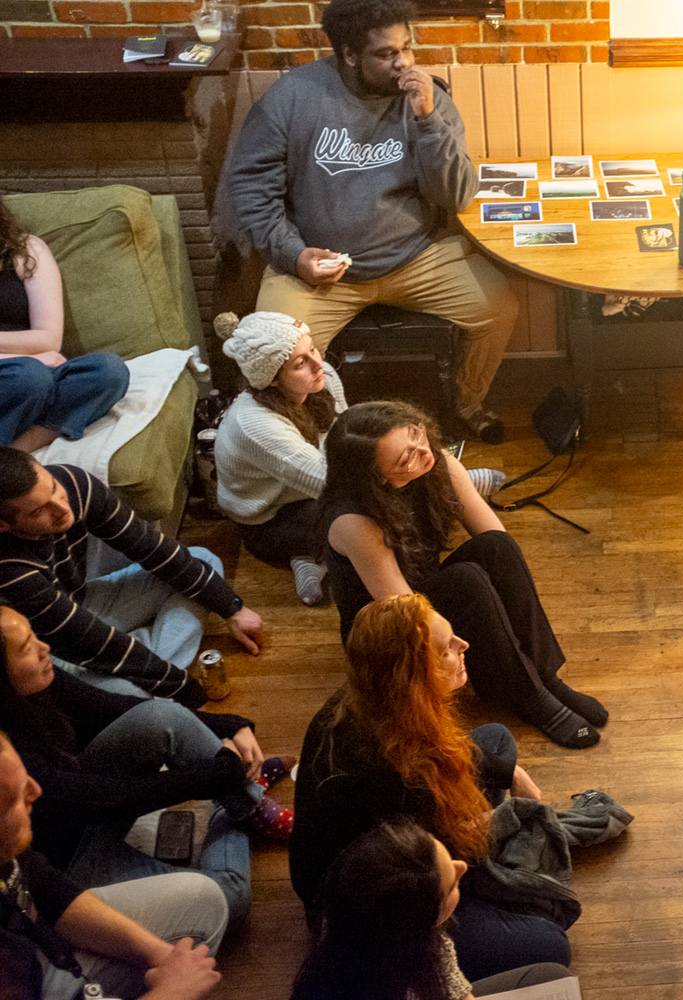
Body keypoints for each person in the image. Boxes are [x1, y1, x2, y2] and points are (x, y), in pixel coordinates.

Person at [221, 0, 518, 444]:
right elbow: (250, 188)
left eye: (407, 48)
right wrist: (294, 255)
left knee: (499, 308)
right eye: (386, 54)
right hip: (319, 270)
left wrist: (427, 118)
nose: (403, 63)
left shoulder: (428, 97)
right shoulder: (293, 97)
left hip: (417, 257)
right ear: (350, 55)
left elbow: (456, 194)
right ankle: (319, 438)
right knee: (275, 351)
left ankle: (466, 404)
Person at [291, 594, 571, 980]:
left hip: (405, 844)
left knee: (496, 740)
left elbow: (449, 754)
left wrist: (512, 774)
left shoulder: (365, 697)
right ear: (415, 678)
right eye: (446, 650)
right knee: (550, 944)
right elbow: (436, 867)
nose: (464, 646)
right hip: (384, 913)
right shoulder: (391, 779)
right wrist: (495, 824)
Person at [319, 401, 604, 749]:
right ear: (377, 477)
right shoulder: (353, 521)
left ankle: (543, 675)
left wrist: (502, 607)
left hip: (420, 589)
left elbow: (496, 541)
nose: (423, 451)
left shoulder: (437, 463)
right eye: (405, 458)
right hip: (387, 628)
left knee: (497, 548)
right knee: (466, 580)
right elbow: (407, 611)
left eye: (416, 434)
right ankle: (527, 695)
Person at [0, 602, 292, 930]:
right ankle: (232, 807)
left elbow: (113, 707)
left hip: (85, 806)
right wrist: (215, 776)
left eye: (34, 636)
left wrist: (228, 724)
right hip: (66, 859)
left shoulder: (35, 680)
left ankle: (252, 807)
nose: (44, 648)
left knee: (161, 715)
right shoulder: (7, 757)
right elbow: (111, 798)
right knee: (231, 900)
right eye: (27, 648)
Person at [214, 311, 504, 605]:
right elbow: (335, 485)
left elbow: (346, 443)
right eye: (300, 363)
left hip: (308, 487)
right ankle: (305, 553)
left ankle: (312, 559)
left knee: (394, 485)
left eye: (312, 348)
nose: (318, 364)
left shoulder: (322, 377)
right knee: (367, 516)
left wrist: (424, 469)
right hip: (274, 521)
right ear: (272, 379)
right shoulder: (254, 426)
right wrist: (430, 478)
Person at [0, 448, 265, 706]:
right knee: (129, 695)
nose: (61, 507)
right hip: (50, 649)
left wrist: (232, 609)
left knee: (203, 560)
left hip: (82, 602)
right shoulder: (9, 570)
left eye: (54, 489)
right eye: (38, 511)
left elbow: (149, 547)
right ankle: (143, 669)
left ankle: (140, 661)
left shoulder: (72, 482)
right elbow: (84, 638)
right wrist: (181, 685)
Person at [0, 730, 225, 1000]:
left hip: (38, 952)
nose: (36, 791)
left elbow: (46, 887)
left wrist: (160, 954)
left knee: (206, 899)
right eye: (13, 797)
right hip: (29, 980)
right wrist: (171, 992)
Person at [290, 818, 573, 1000]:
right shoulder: (401, 982)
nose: (462, 866)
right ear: (424, 919)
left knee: (551, 974)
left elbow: (454, 983)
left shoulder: (359, 935)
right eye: (452, 885)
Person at [0, 194, 130, 453]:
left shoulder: (26, 250)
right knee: (29, 377)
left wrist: (31, 360)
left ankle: (14, 455)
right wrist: (22, 358)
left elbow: (48, 338)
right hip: (25, 374)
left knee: (109, 371)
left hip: (35, 374)